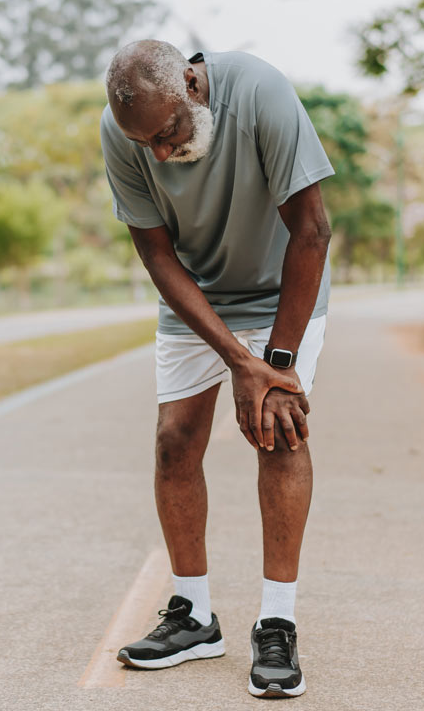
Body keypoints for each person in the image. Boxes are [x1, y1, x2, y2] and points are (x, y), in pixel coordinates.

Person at [100, 39, 334, 699]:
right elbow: (154, 251)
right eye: (147, 143)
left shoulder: (259, 92)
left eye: (169, 133)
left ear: (193, 88)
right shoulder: (126, 132)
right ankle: (195, 615)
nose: (161, 155)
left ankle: (277, 623)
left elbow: (312, 229)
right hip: (197, 296)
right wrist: (237, 360)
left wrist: (273, 367)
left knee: (277, 429)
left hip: (282, 285)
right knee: (175, 438)